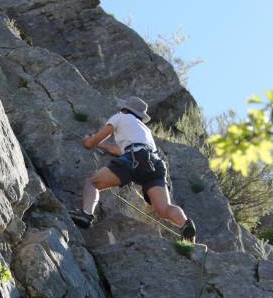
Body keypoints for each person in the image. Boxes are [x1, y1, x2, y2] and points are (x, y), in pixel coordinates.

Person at [69, 96, 196, 241]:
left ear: (125, 109)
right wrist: (103, 146)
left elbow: (94, 140)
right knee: (164, 208)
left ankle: (86, 214)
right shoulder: (144, 130)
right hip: (155, 163)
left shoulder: (120, 117)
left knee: (92, 183)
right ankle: (185, 224)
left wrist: (88, 141)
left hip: (134, 158)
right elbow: (123, 150)